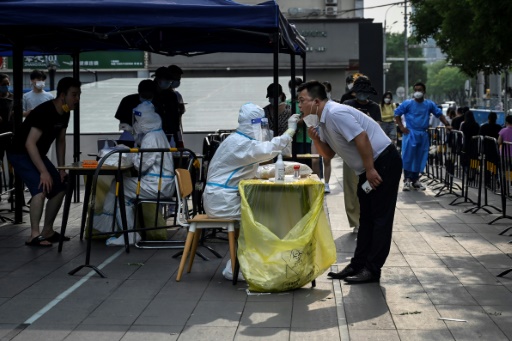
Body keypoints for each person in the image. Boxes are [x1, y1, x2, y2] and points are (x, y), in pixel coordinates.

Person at [297, 80, 402, 284]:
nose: (299, 106)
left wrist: (371, 169)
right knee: (366, 218)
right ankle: (358, 264)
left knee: (380, 218)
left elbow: (361, 138)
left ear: (316, 101)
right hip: (368, 166)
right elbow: (328, 154)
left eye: (302, 100)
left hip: (382, 161)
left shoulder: (336, 113)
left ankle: (372, 269)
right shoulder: (322, 120)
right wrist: (316, 140)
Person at [7, 77, 81, 247]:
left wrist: (61, 169)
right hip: (19, 153)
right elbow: (29, 143)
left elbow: (61, 141)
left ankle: (47, 231)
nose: (77, 99)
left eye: (78, 95)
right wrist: (43, 171)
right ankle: (34, 235)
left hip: (36, 153)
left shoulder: (66, 112)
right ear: (62, 95)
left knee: (60, 187)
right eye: (74, 95)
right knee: (40, 189)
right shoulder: (44, 112)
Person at [94, 101, 174, 245]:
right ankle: (117, 228)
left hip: (156, 186)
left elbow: (140, 166)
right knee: (118, 185)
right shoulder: (157, 134)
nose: (135, 124)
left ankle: (126, 234)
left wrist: (128, 153)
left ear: (143, 121)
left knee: (119, 188)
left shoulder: (151, 138)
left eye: (137, 121)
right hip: (161, 184)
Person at [203, 103, 299, 219]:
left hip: (221, 198)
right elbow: (269, 149)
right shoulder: (240, 143)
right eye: (261, 125)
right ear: (254, 124)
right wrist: (290, 131)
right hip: (224, 203)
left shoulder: (238, 139)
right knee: (269, 212)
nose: (263, 129)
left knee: (268, 208)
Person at [341, 75, 382, 233]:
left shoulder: (374, 107)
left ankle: (367, 217)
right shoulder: (347, 105)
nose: (362, 95)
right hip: (351, 152)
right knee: (351, 187)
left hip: (369, 152)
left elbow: (376, 129)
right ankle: (356, 222)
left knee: (367, 187)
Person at [394, 82, 451, 191]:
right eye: (415, 90)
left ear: (424, 92)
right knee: (408, 157)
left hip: (423, 134)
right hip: (410, 134)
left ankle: (415, 180)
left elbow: (439, 114)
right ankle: (406, 180)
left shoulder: (429, 104)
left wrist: (447, 125)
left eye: (420, 90)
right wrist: (401, 127)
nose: (417, 92)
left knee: (420, 157)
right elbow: (397, 114)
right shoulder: (408, 104)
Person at [114, 79, 159, 146]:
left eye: (149, 96)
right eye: (144, 96)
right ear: (139, 93)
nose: (146, 99)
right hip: (129, 136)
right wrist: (130, 130)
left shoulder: (157, 103)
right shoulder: (128, 101)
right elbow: (122, 121)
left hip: (151, 137)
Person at [152, 67, 181, 141]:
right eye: (166, 80)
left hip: (169, 133)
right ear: (158, 79)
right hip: (152, 132)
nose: (168, 82)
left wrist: (176, 136)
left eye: (169, 80)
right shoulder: (150, 94)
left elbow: (175, 117)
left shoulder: (171, 95)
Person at [263, 83, 292, 155]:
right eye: (270, 97)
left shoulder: (289, 110)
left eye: (273, 97)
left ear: (280, 96)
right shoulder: (265, 111)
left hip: (284, 149)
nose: (271, 99)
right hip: (268, 149)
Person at [168, 65, 186, 147]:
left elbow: (181, 111)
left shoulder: (177, 95)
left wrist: (181, 110)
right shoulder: (157, 95)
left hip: (176, 130)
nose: (178, 81)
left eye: (179, 79)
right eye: (176, 79)